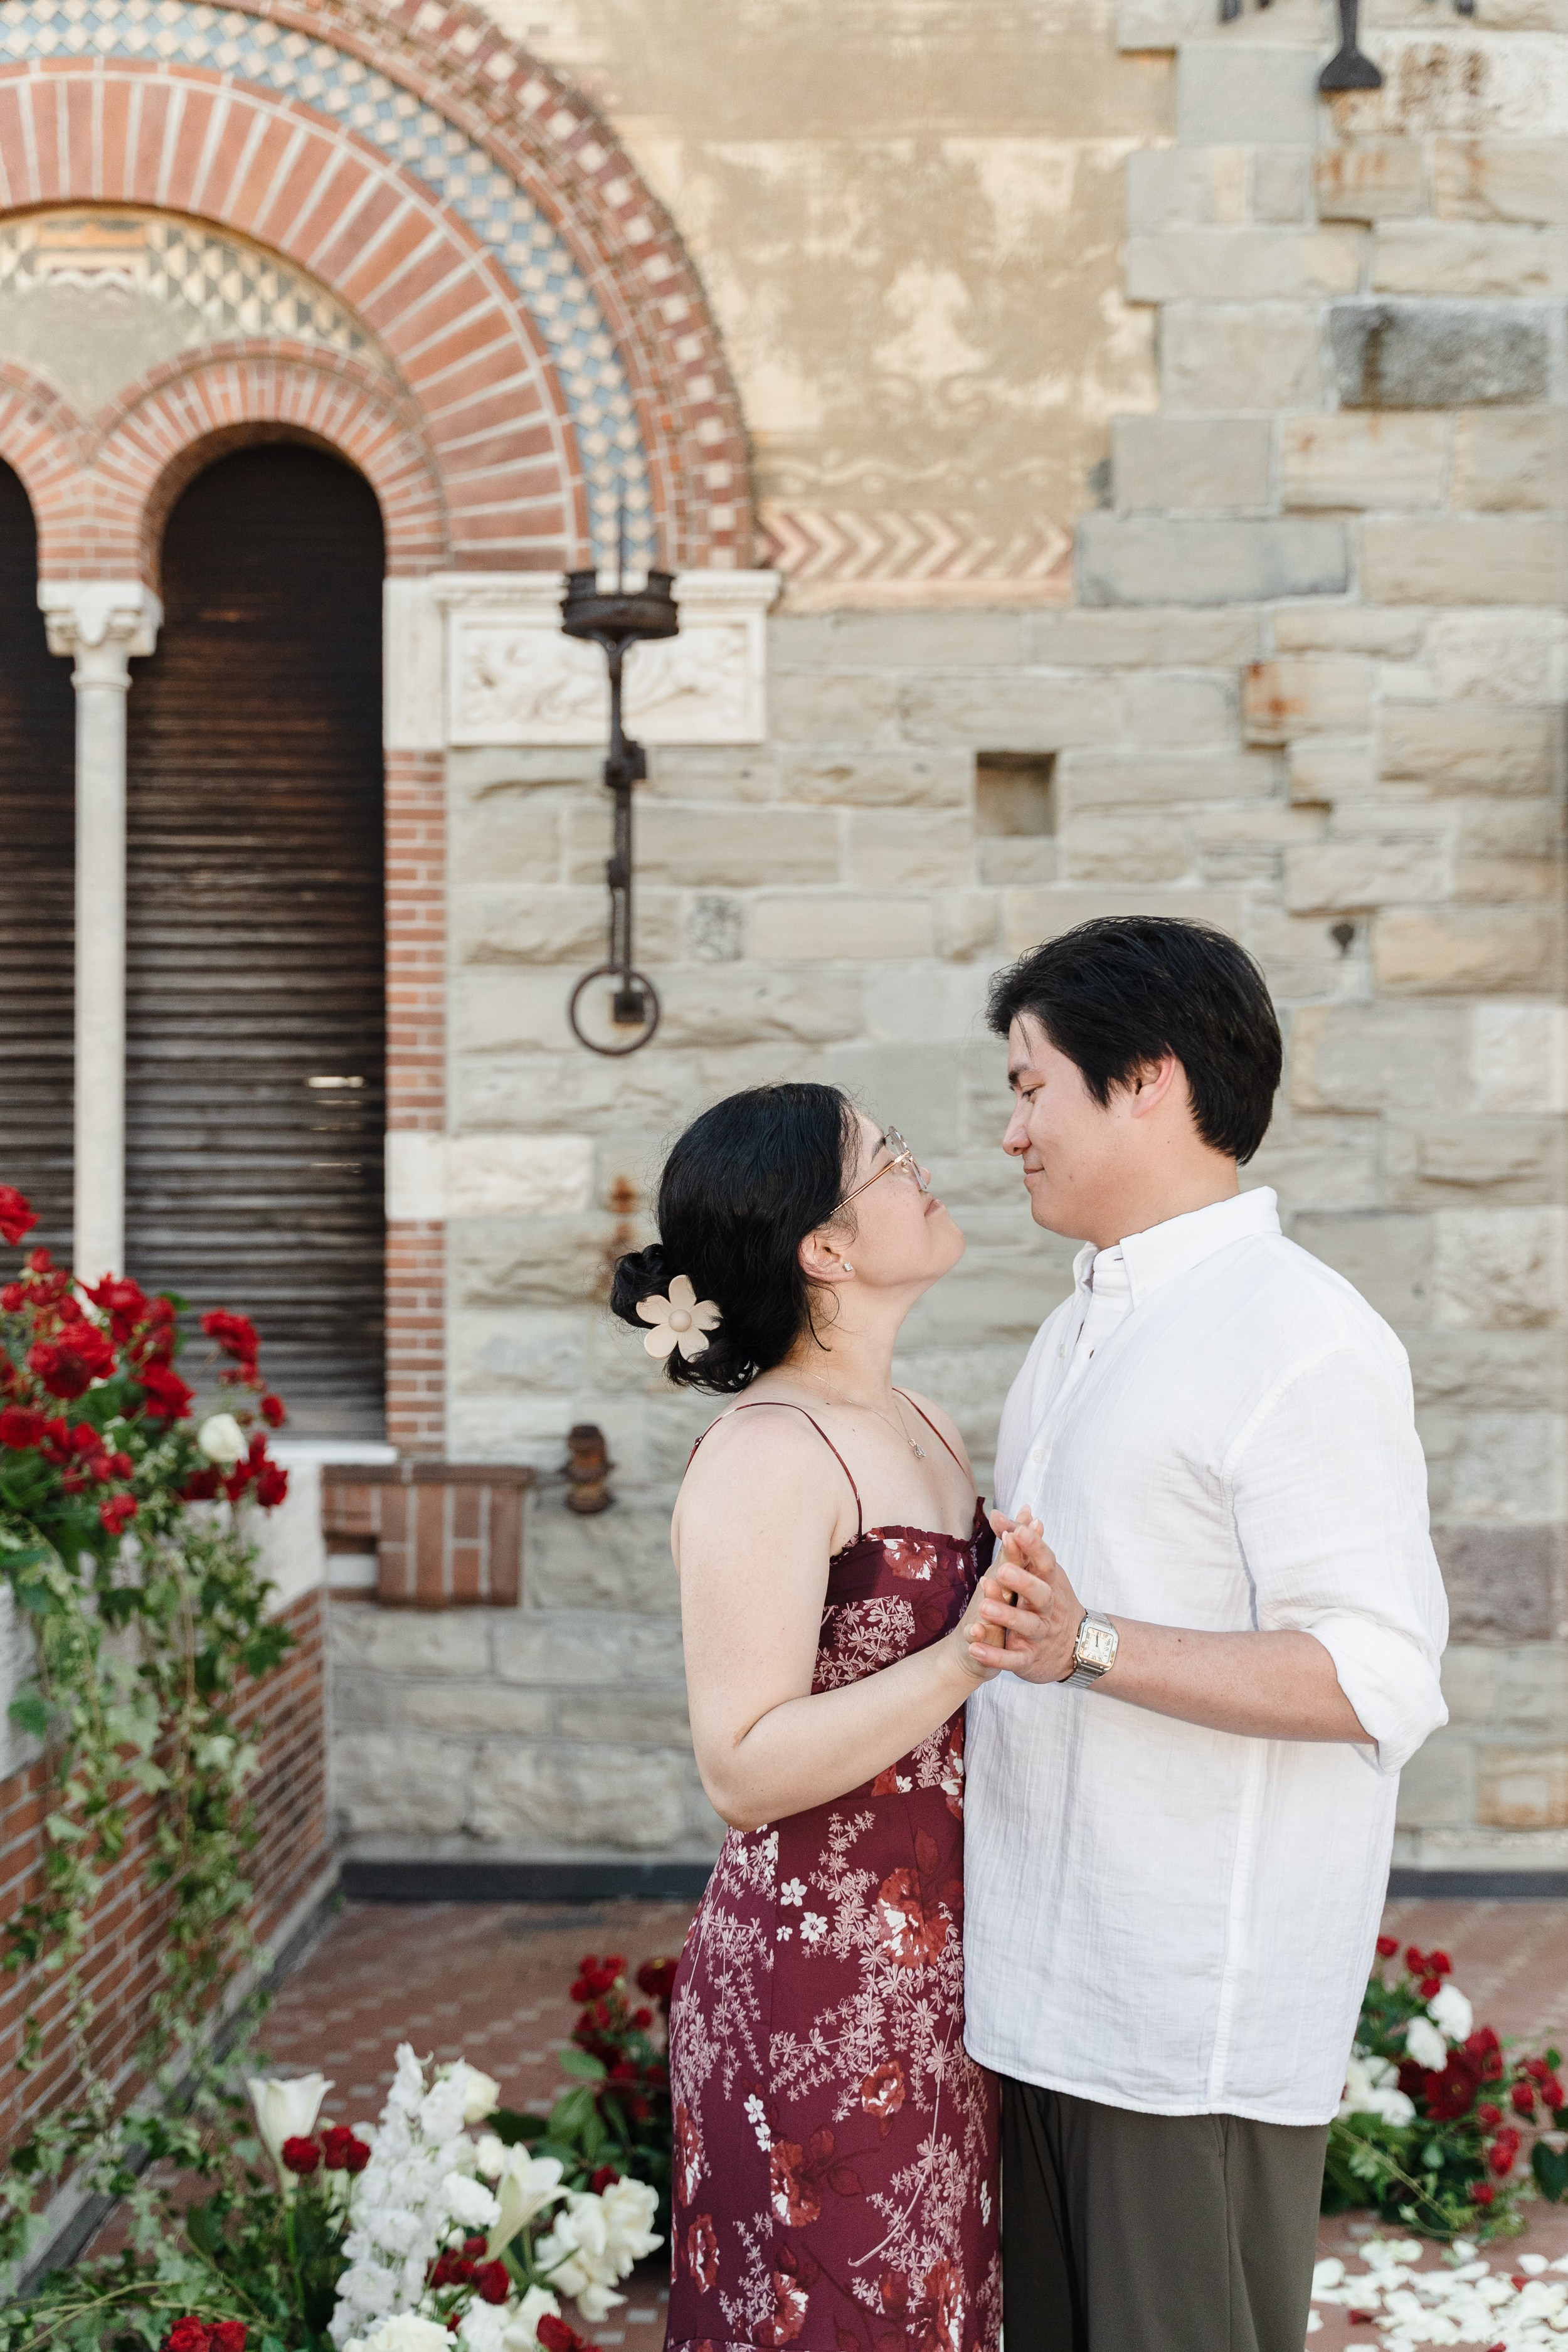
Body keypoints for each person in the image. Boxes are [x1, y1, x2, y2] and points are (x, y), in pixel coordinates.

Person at [956, 915, 1450, 2352]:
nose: (1009, 1131)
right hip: (1037, 2003)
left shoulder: (1302, 1336)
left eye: (1030, 1084)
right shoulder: (1077, 1329)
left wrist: (1088, 1645)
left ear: (1147, 1082)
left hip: (1184, 2033)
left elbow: (1376, 1672)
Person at [612, 1082, 1041, 2352]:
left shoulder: (926, 1424)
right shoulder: (765, 1456)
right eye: (889, 1162)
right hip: (811, 1995)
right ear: (827, 1249)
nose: (923, 1172)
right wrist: (970, 1655)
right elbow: (739, 1766)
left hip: (940, 1982)